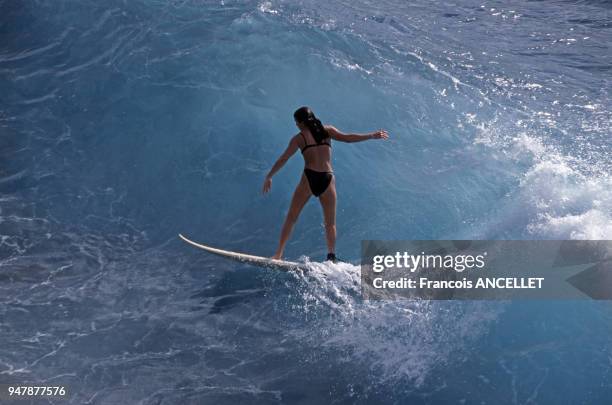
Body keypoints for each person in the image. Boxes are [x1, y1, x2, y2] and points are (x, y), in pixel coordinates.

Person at [262, 106, 389, 262]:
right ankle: (331, 257)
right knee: (330, 223)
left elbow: (284, 158)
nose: (296, 125)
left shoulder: (299, 138)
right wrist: (371, 135)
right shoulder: (327, 130)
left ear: (301, 122)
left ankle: (278, 254)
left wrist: (269, 175)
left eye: (296, 122)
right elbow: (348, 138)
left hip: (309, 178)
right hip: (327, 178)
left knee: (291, 217)